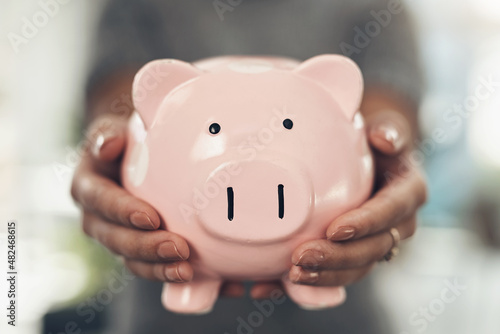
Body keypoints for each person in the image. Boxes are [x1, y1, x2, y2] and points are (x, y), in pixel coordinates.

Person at [71, 0, 427, 333]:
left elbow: (389, 107)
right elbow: (119, 96)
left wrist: (389, 149)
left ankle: (314, 287)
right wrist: (113, 150)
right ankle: (193, 286)